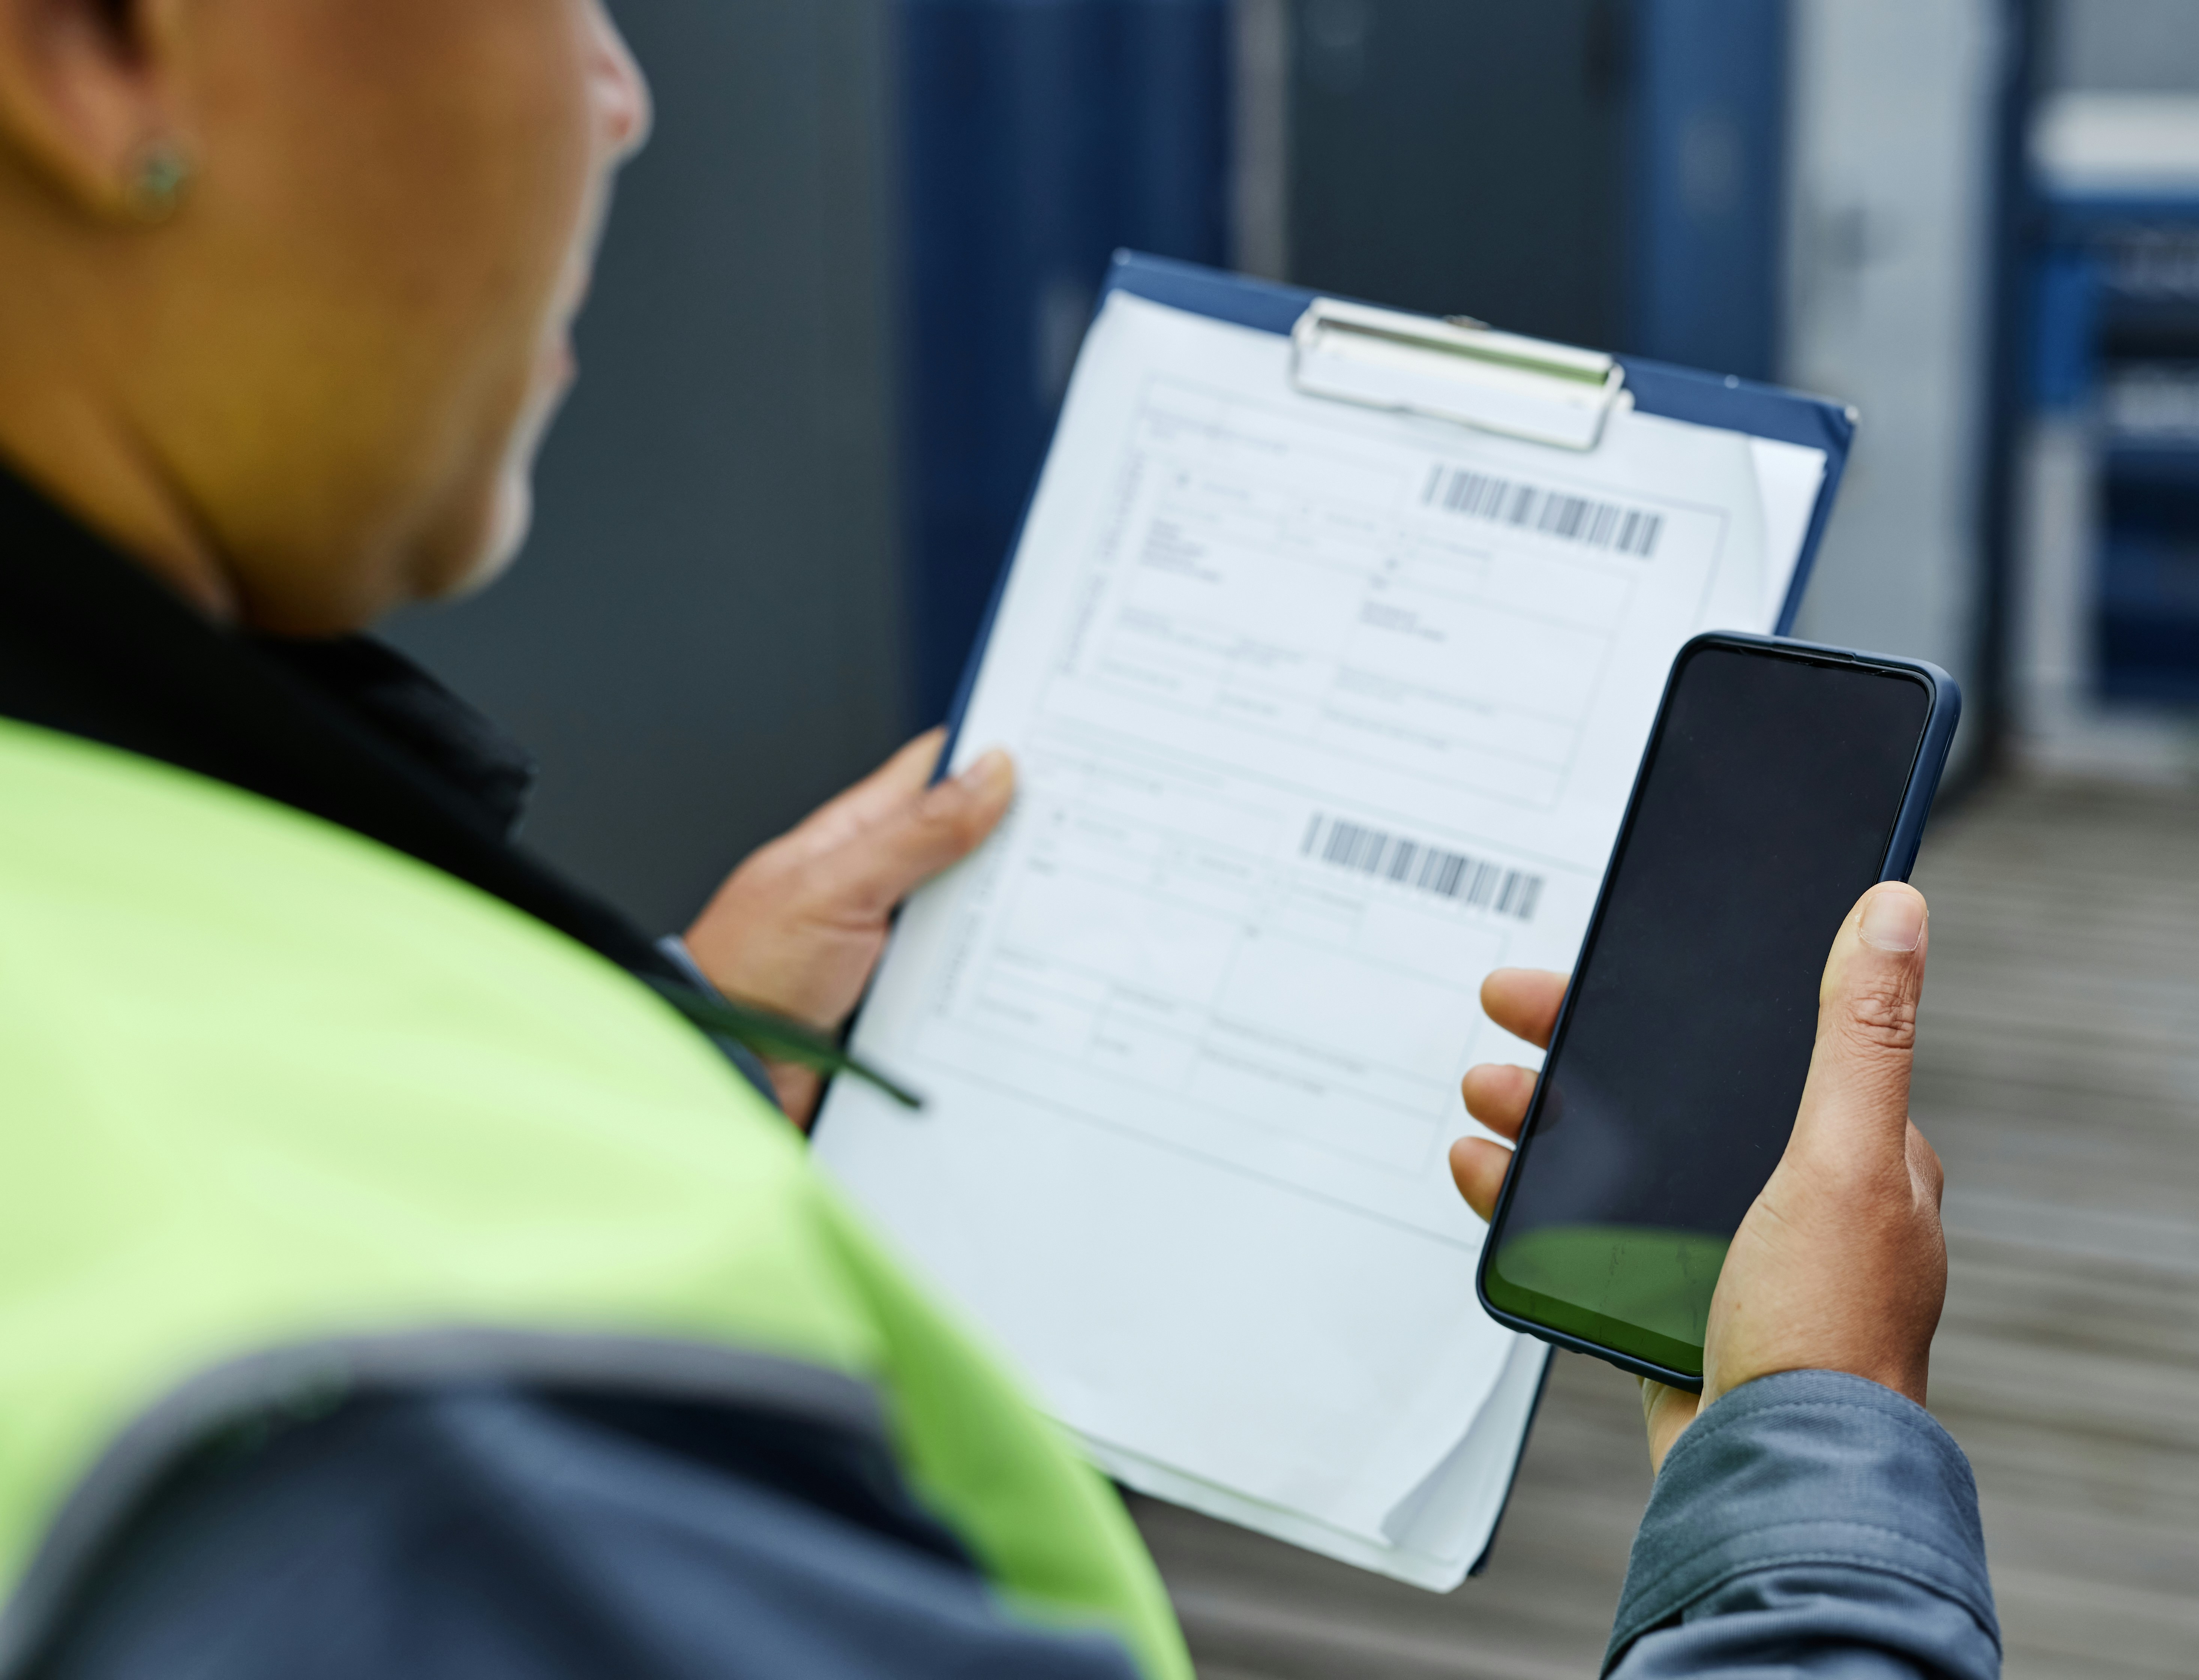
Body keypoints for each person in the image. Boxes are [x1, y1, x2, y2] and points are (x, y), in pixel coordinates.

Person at [0, 1, 1998, 1675]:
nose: (618, 93)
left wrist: (679, 1060)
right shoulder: (419, 1451)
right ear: (91, 56)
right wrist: (1811, 1465)